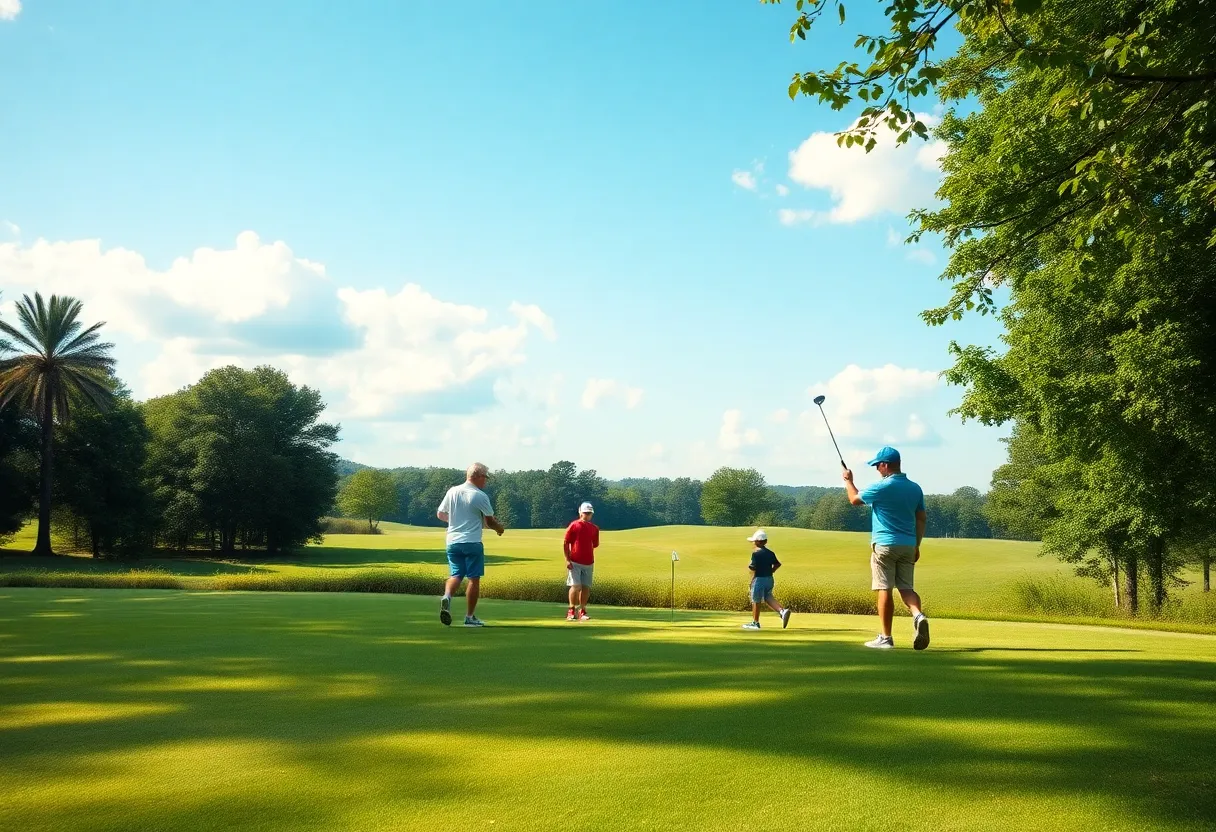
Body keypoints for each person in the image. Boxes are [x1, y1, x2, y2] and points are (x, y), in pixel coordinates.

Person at [843, 446, 930, 650]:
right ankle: (918, 615)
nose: (876, 469)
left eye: (877, 465)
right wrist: (916, 544)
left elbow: (854, 500)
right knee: (907, 588)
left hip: (884, 545)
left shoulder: (882, 487)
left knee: (884, 588)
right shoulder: (915, 488)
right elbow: (921, 518)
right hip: (909, 544)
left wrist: (848, 481)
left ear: (885, 465)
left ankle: (886, 637)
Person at [436, 462, 505, 627]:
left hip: (452, 542)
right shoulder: (479, 495)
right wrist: (499, 529)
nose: (485, 482)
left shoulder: (452, 491)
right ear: (478, 477)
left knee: (456, 575)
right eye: (485, 478)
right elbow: (489, 521)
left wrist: (454, 521)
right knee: (474, 579)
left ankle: (447, 596)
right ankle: (469, 617)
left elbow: (440, 514)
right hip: (472, 542)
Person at [741, 529, 791, 630]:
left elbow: (753, 568)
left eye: (755, 541)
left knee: (756, 600)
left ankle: (755, 623)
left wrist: (751, 581)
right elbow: (777, 564)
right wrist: (771, 571)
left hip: (759, 579)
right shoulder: (770, 553)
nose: (753, 543)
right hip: (769, 579)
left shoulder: (755, 554)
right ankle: (782, 611)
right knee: (768, 597)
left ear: (758, 542)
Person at [563, 501, 599, 621]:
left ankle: (582, 611)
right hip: (575, 561)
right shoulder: (574, 525)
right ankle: (571, 611)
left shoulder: (594, 528)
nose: (587, 515)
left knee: (586, 588)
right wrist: (567, 559)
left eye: (589, 513)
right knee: (576, 586)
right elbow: (566, 542)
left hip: (589, 562)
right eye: (585, 513)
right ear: (580, 513)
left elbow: (595, 544)